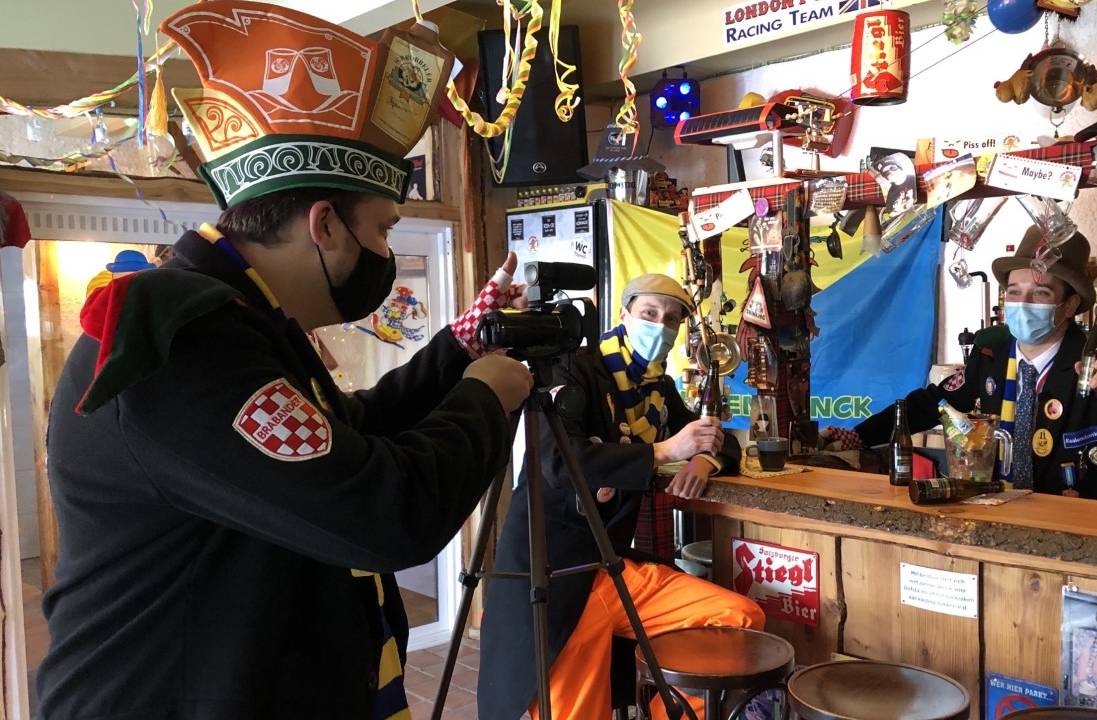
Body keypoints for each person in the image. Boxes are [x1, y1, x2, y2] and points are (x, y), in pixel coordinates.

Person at [37, 3, 533, 719]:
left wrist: (461, 347)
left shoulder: (248, 319)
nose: (389, 254)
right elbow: (386, 513)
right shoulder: (187, 344)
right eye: (384, 230)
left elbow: (350, 436)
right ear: (324, 225)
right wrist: (486, 398)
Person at [478, 274, 763, 720]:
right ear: (624, 314)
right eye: (649, 313)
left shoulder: (659, 390)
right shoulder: (575, 368)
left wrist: (702, 462)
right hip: (554, 574)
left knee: (738, 619)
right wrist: (666, 450)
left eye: (671, 319)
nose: (660, 326)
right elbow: (559, 460)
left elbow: (717, 440)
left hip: (613, 568)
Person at [837, 228, 1097, 502]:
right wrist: (859, 435)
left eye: (1040, 293)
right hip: (1000, 513)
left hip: (1082, 523)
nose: (1022, 303)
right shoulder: (990, 349)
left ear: (1070, 305)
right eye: (1014, 291)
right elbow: (931, 403)